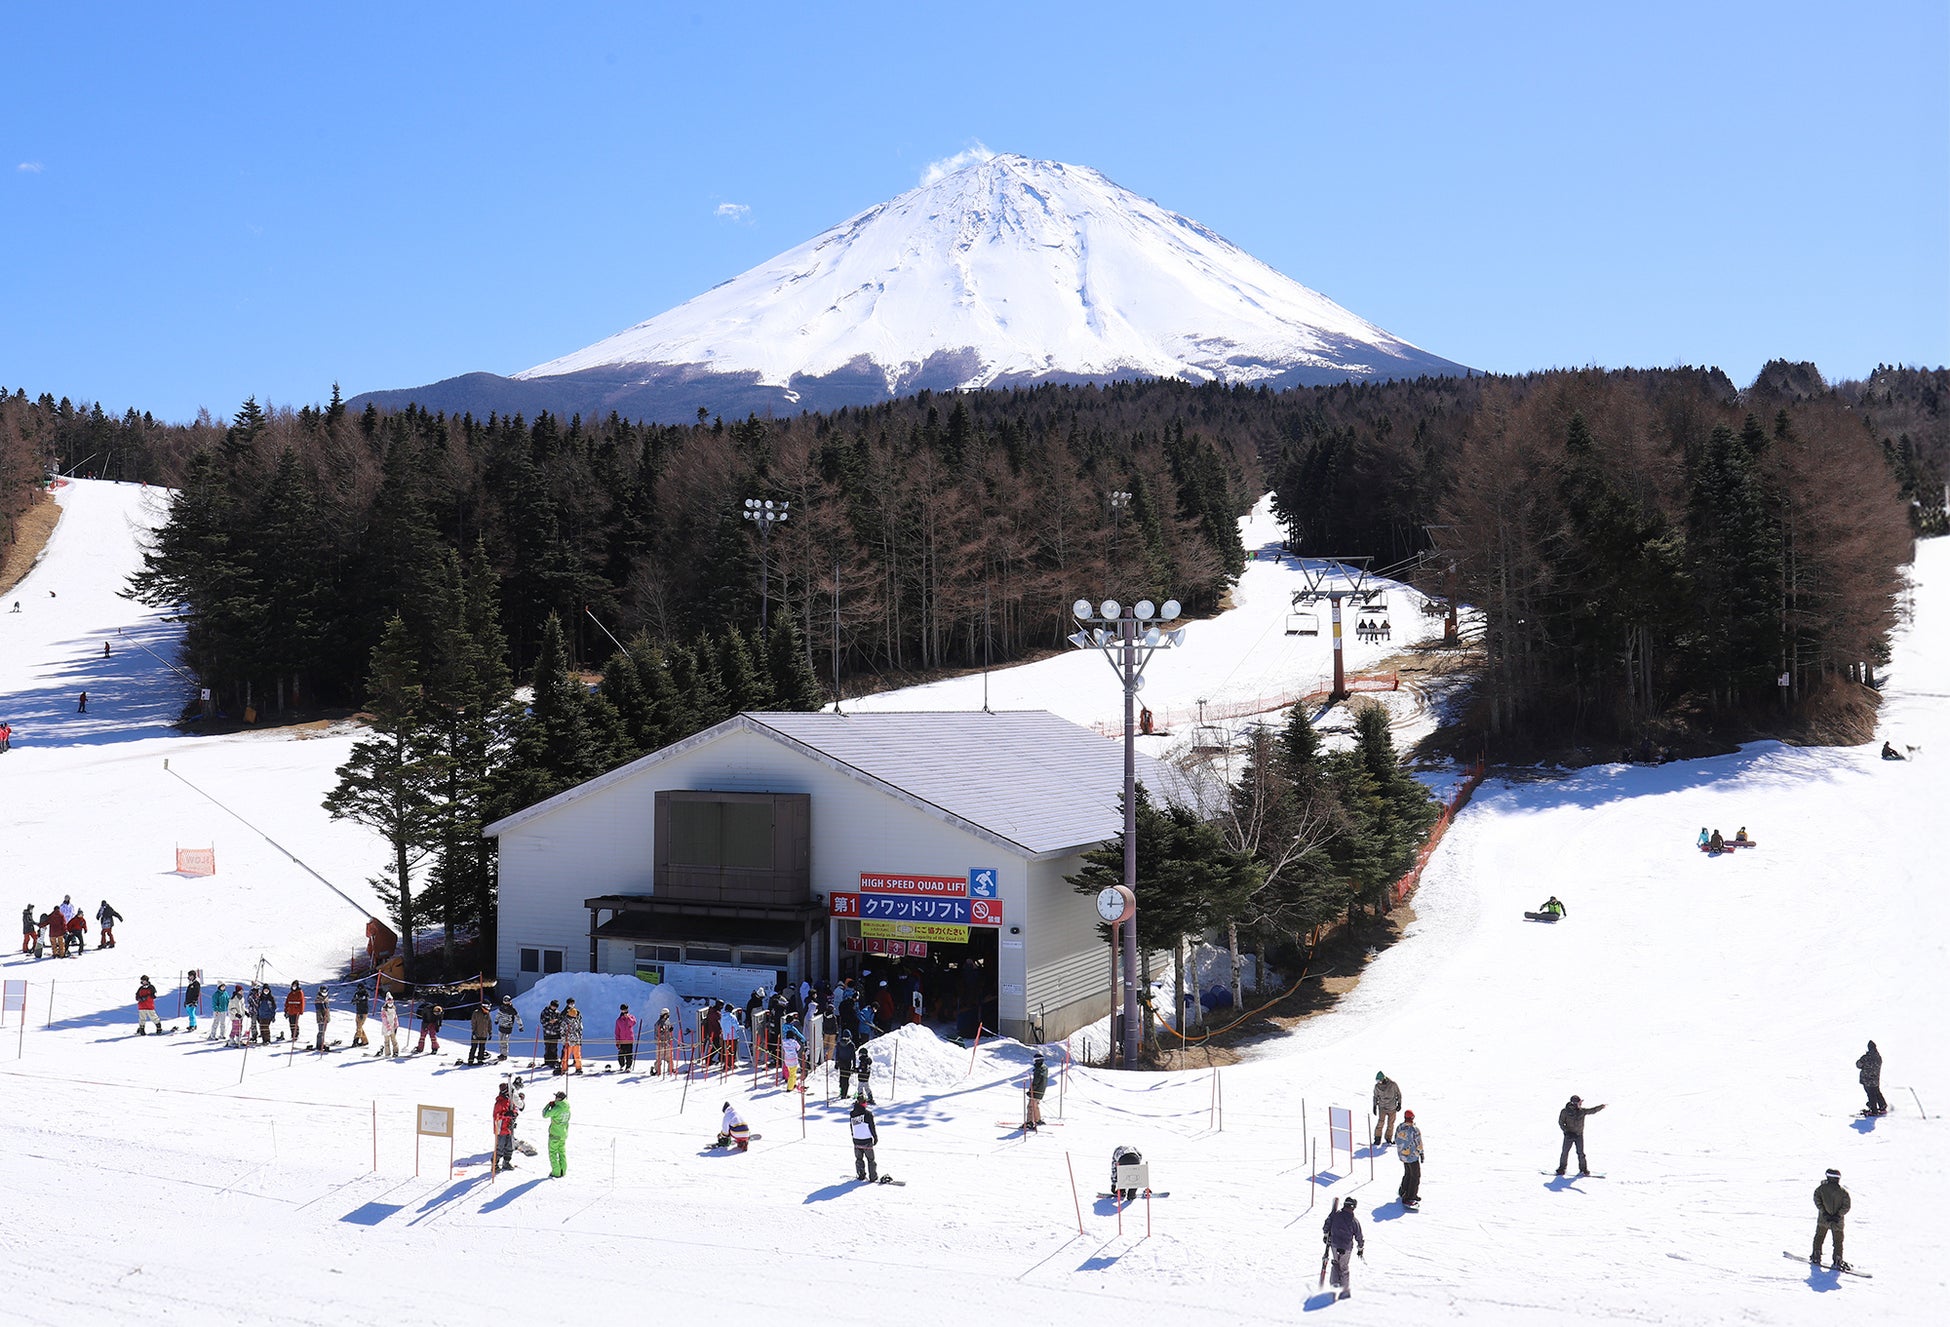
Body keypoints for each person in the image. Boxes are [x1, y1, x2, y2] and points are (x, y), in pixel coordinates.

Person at [1321, 1196, 1366, 1301]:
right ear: (1353, 1207)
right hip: (1346, 1248)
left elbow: (1327, 1223)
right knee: (1344, 1268)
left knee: (1336, 1263)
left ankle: (1334, 1284)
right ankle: (1344, 1292)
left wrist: (1326, 1233)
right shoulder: (1354, 1221)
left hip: (1334, 1244)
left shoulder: (1335, 1215)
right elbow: (1359, 1236)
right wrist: (1360, 1248)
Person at [1555, 1094, 1606, 1176]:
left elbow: (1592, 1110)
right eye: (1579, 1103)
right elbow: (1561, 1123)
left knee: (1581, 1153)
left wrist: (1601, 1107)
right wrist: (1567, 1132)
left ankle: (1583, 1170)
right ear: (1574, 1104)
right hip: (1569, 1136)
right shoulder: (1565, 1112)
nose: (1581, 1104)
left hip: (1579, 1135)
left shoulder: (1582, 1111)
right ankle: (1561, 1169)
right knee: (1565, 1152)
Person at [1811, 1168, 1851, 1270]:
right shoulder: (1843, 1192)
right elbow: (1847, 1206)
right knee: (1838, 1242)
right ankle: (1838, 1260)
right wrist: (1838, 1215)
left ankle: (1816, 1256)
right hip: (1838, 1222)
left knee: (1819, 1237)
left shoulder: (1820, 1189)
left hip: (1823, 1220)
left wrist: (1824, 1213)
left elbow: (1817, 1200)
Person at [1395, 1109, 1424, 1208]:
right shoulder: (1414, 1130)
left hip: (1403, 1156)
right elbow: (1418, 1143)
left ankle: (1403, 1190)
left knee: (1408, 1173)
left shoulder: (1400, 1127)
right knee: (1415, 1176)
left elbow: (1396, 1139)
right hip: (1412, 1157)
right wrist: (1421, 1153)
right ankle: (1410, 1196)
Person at [850, 1093, 879, 1181]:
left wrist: (853, 1136)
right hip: (866, 1140)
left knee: (859, 1159)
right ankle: (873, 1177)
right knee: (871, 1160)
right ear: (863, 1104)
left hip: (856, 1140)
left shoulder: (852, 1114)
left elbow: (851, 1126)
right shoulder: (868, 1114)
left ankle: (861, 1175)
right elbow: (872, 1127)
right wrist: (875, 1137)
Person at [1856, 1041, 1888, 1115]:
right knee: (1876, 1092)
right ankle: (1882, 1106)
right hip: (1876, 1079)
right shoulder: (1878, 1057)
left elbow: (1858, 1065)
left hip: (1867, 1079)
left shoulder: (1866, 1057)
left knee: (1871, 1094)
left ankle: (1874, 1110)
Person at [1373, 1072, 1402, 1146]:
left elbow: (1398, 1094)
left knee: (1390, 1124)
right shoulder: (1377, 1087)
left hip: (1392, 1108)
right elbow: (1375, 1096)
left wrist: (1399, 1103)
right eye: (1377, 1081)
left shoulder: (1393, 1085)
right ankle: (1377, 1138)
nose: (1378, 1082)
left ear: (1383, 1079)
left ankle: (1388, 1138)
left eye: (1379, 1081)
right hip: (1382, 1108)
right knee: (1380, 1123)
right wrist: (1374, 1106)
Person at [493, 1083, 517, 1173]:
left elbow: (513, 1108)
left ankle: (506, 1161)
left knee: (510, 1146)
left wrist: (514, 1113)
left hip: (509, 1127)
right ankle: (495, 1163)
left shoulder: (509, 1101)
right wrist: (506, 1115)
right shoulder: (499, 1103)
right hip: (501, 1128)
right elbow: (496, 1116)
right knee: (500, 1146)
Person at [559, 998, 584, 1075]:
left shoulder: (576, 1020)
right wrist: (564, 1041)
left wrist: (580, 1038)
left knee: (576, 1055)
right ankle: (565, 1068)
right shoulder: (565, 1021)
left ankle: (577, 1068)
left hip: (575, 1041)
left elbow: (580, 1029)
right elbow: (562, 1032)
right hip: (569, 1041)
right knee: (567, 1055)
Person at [1026, 1052, 1049, 1129]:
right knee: (1035, 1105)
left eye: (1035, 1060)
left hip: (1037, 1091)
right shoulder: (1044, 1068)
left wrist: (1031, 1090)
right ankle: (1037, 1119)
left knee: (1030, 1106)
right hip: (1041, 1090)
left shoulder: (1039, 1069)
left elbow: (1036, 1081)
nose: (1034, 1062)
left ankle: (1029, 1122)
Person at [494, 995, 521, 1061]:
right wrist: (496, 1020)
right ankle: (501, 1054)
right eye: (505, 1001)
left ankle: (504, 1055)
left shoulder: (512, 1009)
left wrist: (520, 1026)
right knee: (501, 1041)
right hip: (501, 1027)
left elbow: (517, 1017)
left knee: (504, 1042)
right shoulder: (502, 1007)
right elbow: (498, 1014)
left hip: (508, 1028)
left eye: (507, 1001)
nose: (506, 1002)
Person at [614, 1004, 638, 1072]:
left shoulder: (631, 1017)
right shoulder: (618, 1020)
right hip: (622, 1040)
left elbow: (633, 1023)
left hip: (629, 1039)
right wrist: (617, 1041)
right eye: (623, 1009)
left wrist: (628, 1017)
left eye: (626, 1009)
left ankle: (628, 1066)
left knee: (629, 1054)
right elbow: (617, 1032)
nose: (625, 1011)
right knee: (621, 1054)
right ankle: (622, 1065)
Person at [540, 999, 563, 1069]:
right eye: (553, 1006)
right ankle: (547, 1061)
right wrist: (549, 1022)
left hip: (555, 1033)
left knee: (554, 1048)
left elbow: (560, 1022)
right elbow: (542, 1021)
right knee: (547, 1047)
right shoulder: (545, 1012)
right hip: (547, 1033)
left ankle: (554, 1061)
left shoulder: (557, 1013)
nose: (554, 1008)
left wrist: (556, 1022)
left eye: (555, 1007)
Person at [836, 1026, 857, 1099]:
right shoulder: (851, 1044)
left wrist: (836, 1063)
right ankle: (844, 1094)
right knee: (846, 1078)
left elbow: (837, 1054)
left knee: (841, 1077)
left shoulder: (839, 1043)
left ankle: (841, 1092)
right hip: (848, 1063)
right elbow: (853, 1057)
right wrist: (854, 1066)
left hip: (841, 1063)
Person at [654, 1008, 675, 1075]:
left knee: (670, 1057)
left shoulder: (667, 1021)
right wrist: (662, 1031)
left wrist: (670, 1029)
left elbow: (668, 1030)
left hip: (667, 1042)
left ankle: (670, 1069)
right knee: (659, 1058)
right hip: (660, 1043)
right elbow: (658, 1033)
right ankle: (658, 1070)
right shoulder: (658, 1023)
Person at [379, 991, 401, 1057]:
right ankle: (387, 1053)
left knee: (394, 1040)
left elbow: (395, 1017)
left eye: (391, 1000)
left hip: (393, 1027)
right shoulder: (384, 1010)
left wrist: (396, 1025)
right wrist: (388, 1027)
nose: (390, 1002)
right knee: (386, 1041)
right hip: (386, 1027)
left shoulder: (393, 1008)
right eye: (389, 1000)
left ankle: (395, 1051)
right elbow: (384, 1019)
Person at [313, 985, 332, 1050]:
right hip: (321, 1016)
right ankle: (319, 1045)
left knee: (324, 1031)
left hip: (326, 1016)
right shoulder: (318, 999)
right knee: (321, 1031)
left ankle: (322, 1043)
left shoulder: (326, 998)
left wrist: (327, 1016)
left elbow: (327, 1008)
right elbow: (318, 1010)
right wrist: (321, 1017)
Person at [351, 982, 370, 1047]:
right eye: (358, 989)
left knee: (359, 1027)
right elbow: (353, 1001)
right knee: (359, 1027)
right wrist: (355, 1000)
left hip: (364, 1012)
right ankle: (365, 1041)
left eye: (361, 989)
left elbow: (366, 998)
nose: (359, 990)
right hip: (358, 1012)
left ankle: (355, 1040)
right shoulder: (357, 994)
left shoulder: (365, 993)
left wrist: (360, 1000)